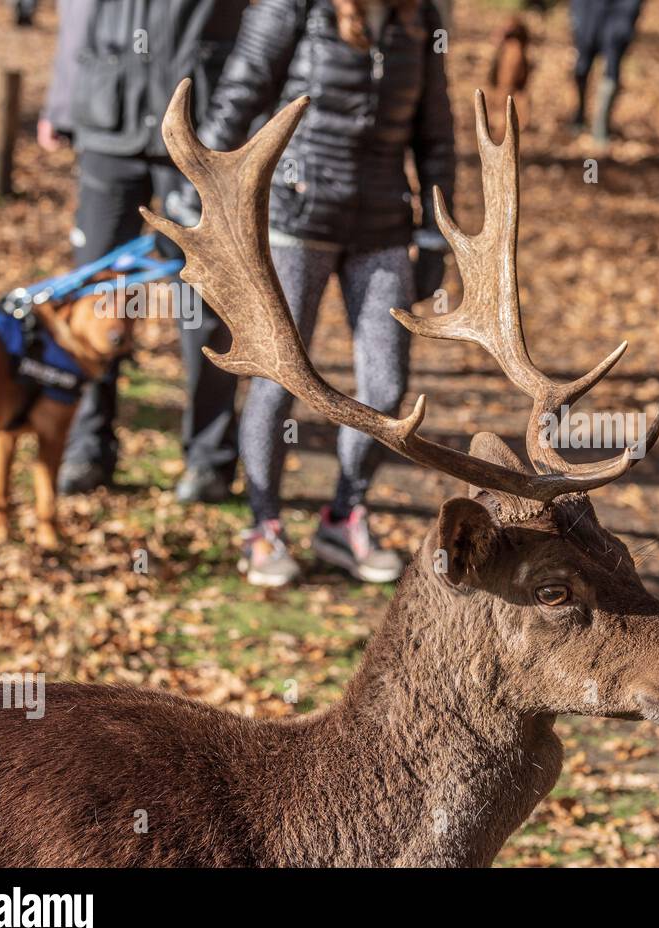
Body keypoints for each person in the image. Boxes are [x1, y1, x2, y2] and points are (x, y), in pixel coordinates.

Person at [193, 0, 455, 586]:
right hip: (295, 216)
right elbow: (242, 87)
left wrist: (438, 237)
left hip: (383, 221)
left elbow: (435, 131)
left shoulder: (422, 17)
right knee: (278, 375)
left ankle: (344, 515)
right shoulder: (294, 6)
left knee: (386, 386)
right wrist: (200, 189)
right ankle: (263, 528)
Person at [43, 0, 249, 503]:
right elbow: (76, 13)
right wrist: (63, 101)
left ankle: (209, 459)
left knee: (203, 298)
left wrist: (239, 116)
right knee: (96, 292)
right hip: (106, 120)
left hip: (199, 128)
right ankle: (88, 446)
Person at [568, 0, 644, 145]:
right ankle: (580, 112)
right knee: (583, 60)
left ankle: (601, 124)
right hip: (587, 6)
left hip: (622, 6)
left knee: (614, 54)